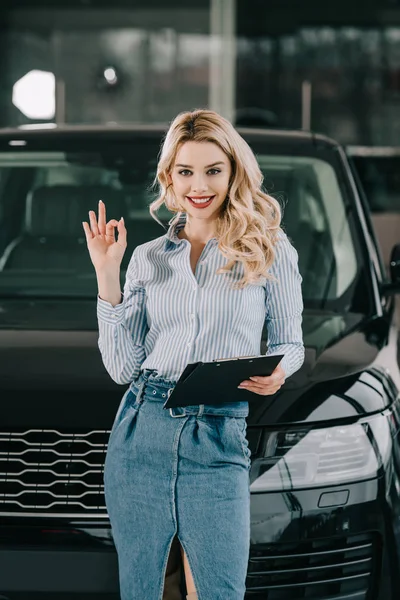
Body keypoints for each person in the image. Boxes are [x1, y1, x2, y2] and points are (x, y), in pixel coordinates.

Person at [82, 109, 305, 600]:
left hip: (219, 431)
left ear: (233, 172)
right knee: (145, 591)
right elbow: (122, 368)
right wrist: (107, 276)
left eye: (213, 170)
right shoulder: (145, 258)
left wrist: (280, 371)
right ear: (169, 176)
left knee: (218, 591)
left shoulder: (269, 247)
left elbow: (290, 342)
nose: (198, 185)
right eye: (185, 171)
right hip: (142, 429)